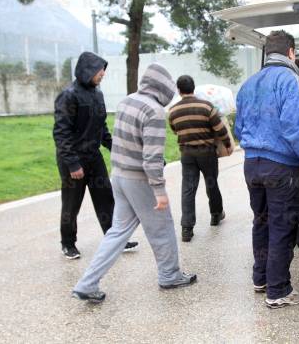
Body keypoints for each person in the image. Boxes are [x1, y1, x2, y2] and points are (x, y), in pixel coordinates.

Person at [72, 63, 196, 303]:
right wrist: (159, 191)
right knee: (162, 228)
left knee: (117, 232)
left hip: (118, 176)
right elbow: (151, 158)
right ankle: (170, 275)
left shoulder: (127, 100)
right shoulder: (155, 112)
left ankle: (87, 283)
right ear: (163, 88)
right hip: (139, 180)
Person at [235, 30, 299, 309]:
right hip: (281, 168)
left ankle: (261, 278)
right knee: (281, 227)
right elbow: (297, 127)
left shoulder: (249, 84)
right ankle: (277, 291)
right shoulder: (291, 79)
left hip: (252, 165)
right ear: (291, 52)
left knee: (261, 221)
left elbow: (239, 128)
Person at [53, 51, 137, 260]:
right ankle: (68, 243)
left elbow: (102, 128)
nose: (103, 74)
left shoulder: (97, 94)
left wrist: (116, 148)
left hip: (93, 156)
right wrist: (72, 164)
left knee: (106, 198)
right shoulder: (69, 95)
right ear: (87, 70)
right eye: (100, 70)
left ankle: (114, 239)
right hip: (73, 159)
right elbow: (61, 133)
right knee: (72, 203)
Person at [168, 75, 233, 242]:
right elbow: (219, 128)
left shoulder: (173, 111)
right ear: (193, 88)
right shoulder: (206, 106)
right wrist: (227, 143)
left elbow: (175, 131)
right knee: (211, 184)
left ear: (179, 90)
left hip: (187, 154)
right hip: (207, 152)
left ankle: (187, 228)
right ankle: (216, 215)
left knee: (188, 189)